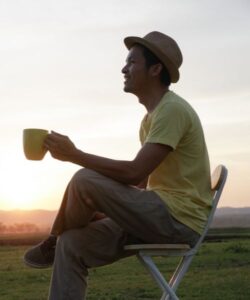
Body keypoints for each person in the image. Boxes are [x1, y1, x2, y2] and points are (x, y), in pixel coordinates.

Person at [24, 31, 213, 299]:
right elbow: (140, 183)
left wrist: (74, 154)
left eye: (132, 62)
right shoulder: (151, 118)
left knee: (84, 179)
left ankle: (53, 237)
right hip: (155, 216)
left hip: (177, 220)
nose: (123, 68)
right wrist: (105, 208)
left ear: (155, 68)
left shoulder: (173, 110)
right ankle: (59, 240)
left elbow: (135, 170)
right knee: (71, 243)